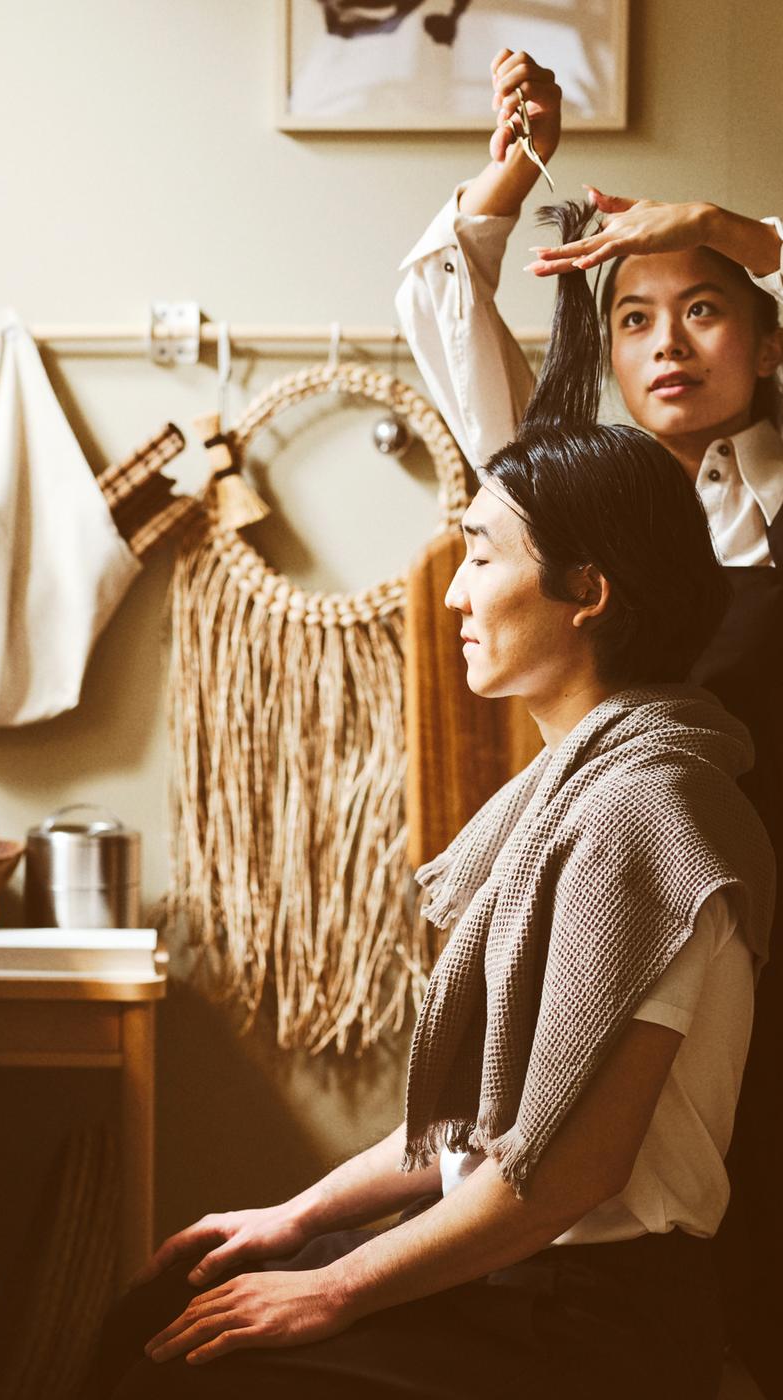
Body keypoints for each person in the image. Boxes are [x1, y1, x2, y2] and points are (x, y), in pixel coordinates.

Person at [85, 249, 776, 1397]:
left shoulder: (645, 814)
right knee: (167, 1305)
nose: (452, 589)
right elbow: (489, 1126)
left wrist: (332, 1285)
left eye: (480, 553)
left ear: (586, 591)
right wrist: (294, 1216)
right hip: (523, 1270)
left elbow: (564, 1174)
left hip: (589, 1316)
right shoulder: (586, 784)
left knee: (184, 1371)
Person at [396, 50, 783, 1388]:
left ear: (768, 338)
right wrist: (512, 172)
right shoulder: (575, 497)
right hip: (636, 902)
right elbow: (440, 306)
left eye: (706, 310)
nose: (666, 344)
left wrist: (724, 227)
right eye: (633, 317)